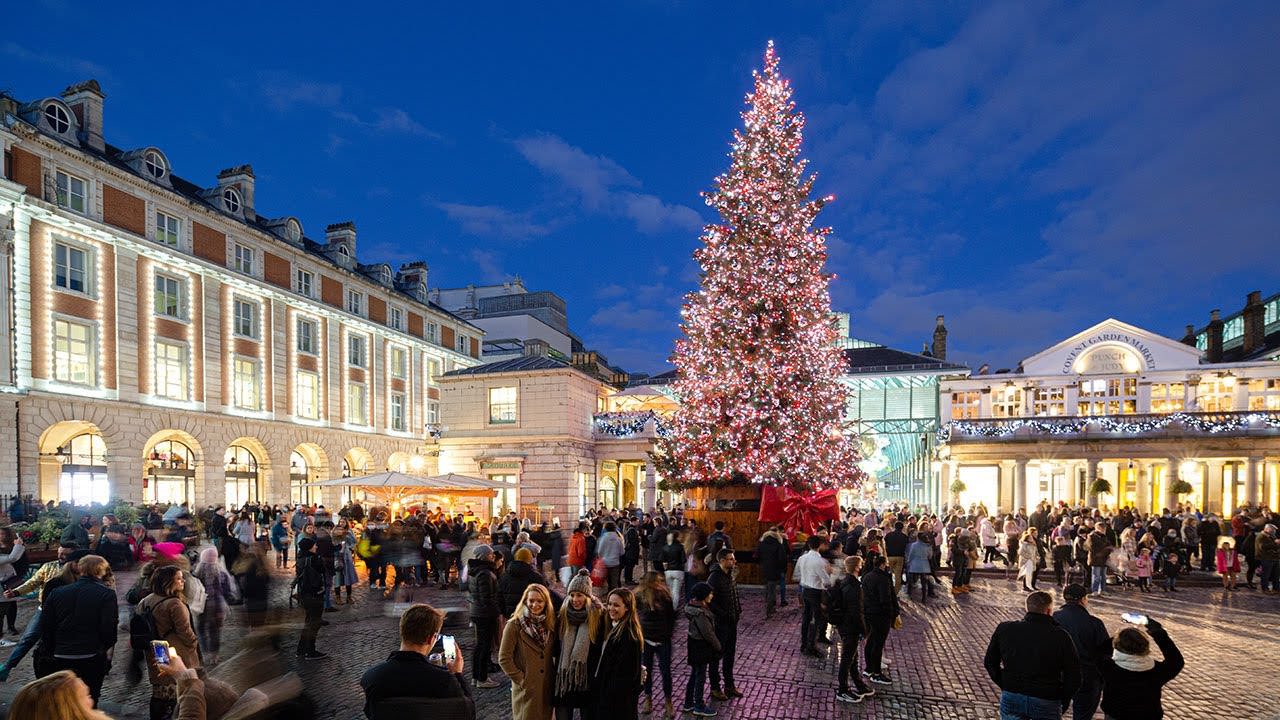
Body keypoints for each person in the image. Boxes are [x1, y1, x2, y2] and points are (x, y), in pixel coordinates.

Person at [361, 603, 474, 720]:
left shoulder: (371, 678)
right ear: (431, 638)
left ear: (402, 631)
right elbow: (467, 711)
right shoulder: (444, 680)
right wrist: (457, 674)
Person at [983, 590, 1081, 720]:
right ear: (1049, 610)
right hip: (1046, 697)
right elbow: (1073, 674)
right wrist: (1063, 697)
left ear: (1027, 607)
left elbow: (990, 662)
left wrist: (1005, 683)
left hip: (1013, 694)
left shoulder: (1006, 629)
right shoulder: (1060, 636)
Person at [36, 555, 117, 706]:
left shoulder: (58, 592)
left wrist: (51, 648)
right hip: (90, 654)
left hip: (61, 653)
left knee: (63, 698)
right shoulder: (106, 594)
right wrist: (103, 649)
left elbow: (46, 625)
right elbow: (109, 628)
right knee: (90, 697)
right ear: (100, 571)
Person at [0, 542, 79, 681]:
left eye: (66, 554)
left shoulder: (80, 570)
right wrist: (16, 592)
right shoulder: (49, 566)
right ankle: (7, 666)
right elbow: (33, 582)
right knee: (28, 638)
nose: (61, 556)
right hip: (45, 609)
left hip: (69, 612)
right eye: (60, 553)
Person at [138, 564, 202, 720]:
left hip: (158, 648)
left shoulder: (146, 600)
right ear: (168, 582)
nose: (183, 582)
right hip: (177, 651)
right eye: (179, 579)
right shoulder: (174, 604)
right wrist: (194, 644)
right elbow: (185, 632)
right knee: (179, 688)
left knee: (160, 689)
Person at [1096, 616, 1184, 720]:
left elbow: (1101, 651)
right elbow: (1176, 660)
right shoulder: (1157, 671)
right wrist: (1157, 631)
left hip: (1116, 715)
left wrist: (1120, 636)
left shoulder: (1110, 668)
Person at [1052, 584, 1110, 720]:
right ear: (1084, 599)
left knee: (1053, 711)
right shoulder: (1094, 623)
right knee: (1083, 714)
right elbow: (1105, 652)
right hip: (1087, 675)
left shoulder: (1054, 618)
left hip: (1058, 673)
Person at [499, 584, 556, 720]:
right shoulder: (514, 625)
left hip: (545, 687)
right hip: (527, 689)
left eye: (539, 601)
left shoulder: (549, 624)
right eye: (531, 600)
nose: (535, 605)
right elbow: (504, 658)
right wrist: (522, 680)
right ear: (525, 601)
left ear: (546, 603)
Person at [553, 570, 601, 720]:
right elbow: (555, 647)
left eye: (579, 595)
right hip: (564, 679)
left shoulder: (598, 617)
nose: (575, 599)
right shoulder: (562, 616)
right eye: (572, 595)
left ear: (588, 596)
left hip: (587, 680)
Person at [590, 588, 643, 720]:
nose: (611, 608)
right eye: (609, 604)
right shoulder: (613, 626)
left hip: (617, 703)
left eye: (616, 605)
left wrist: (606, 696)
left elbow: (625, 675)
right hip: (608, 696)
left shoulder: (629, 636)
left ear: (627, 608)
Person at [635, 572, 676, 718]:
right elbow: (635, 615)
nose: (658, 584)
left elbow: (672, 617)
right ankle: (648, 698)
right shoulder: (639, 597)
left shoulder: (665, 596)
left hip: (663, 639)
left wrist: (668, 634)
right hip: (646, 639)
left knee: (665, 671)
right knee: (646, 671)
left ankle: (668, 701)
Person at [834, 555, 874, 704]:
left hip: (844, 625)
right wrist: (863, 630)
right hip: (850, 626)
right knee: (847, 658)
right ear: (857, 567)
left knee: (852, 657)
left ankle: (858, 683)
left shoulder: (845, 582)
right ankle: (843, 690)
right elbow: (856, 611)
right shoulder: (854, 587)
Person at [191, 547, 240, 665]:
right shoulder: (222, 574)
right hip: (217, 607)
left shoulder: (196, 574)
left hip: (200, 607)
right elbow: (228, 592)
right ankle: (214, 655)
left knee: (201, 629)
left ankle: (205, 651)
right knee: (215, 631)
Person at [704, 549, 740, 702]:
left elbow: (733, 593)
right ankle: (715, 687)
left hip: (732, 621)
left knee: (730, 655)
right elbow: (708, 601)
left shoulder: (730, 575)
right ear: (723, 560)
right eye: (731, 559)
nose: (734, 561)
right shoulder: (714, 578)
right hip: (720, 624)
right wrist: (722, 614)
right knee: (716, 656)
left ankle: (729, 685)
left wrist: (738, 609)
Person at [466, 544, 501, 689]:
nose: (493, 556)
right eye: (491, 554)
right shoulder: (484, 573)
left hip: (478, 611)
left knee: (480, 645)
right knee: (484, 645)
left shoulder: (476, 570)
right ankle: (482, 678)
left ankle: (476, 676)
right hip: (485, 614)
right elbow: (486, 597)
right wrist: (496, 609)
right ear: (485, 556)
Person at [682, 582, 720, 718]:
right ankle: (699, 705)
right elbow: (708, 633)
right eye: (710, 593)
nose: (712, 595)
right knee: (700, 677)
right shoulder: (701, 613)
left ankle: (688, 703)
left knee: (694, 674)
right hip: (701, 647)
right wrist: (718, 646)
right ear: (704, 595)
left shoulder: (692, 607)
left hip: (694, 645)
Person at [861, 555, 898, 686]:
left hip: (869, 613)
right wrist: (892, 613)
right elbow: (886, 598)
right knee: (878, 643)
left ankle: (869, 668)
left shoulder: (867, 576)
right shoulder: (883, 579)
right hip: (880, 614)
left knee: (871, 641)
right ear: (882, 564)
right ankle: (876, 673)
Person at [795, 535, 831, 657]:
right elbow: (826, 580)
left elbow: (796, 574)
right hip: (816, 591)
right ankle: (811, 646)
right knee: (816, 619)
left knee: (806, 618)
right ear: (819, 545)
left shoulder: (802, 558)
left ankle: (804, 644)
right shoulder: (819, 561)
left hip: (805, 589)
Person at [293, 537, 327, 659]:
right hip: (314, 594)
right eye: (314, 545)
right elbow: (323, 570)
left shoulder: (300, 558)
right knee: (314, 623)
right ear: (309, 547)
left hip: (304, 595)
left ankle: (301, 650)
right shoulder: (313, 559)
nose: (316, 547)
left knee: (308, 622)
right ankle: (310, 651)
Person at [0, 527, 27, 636]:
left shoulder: (12, 546)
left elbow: (21, 562)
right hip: (2, 582)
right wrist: (19, 545)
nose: (1, 536)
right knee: (1, 610)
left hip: (11, 580)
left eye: (2, 534)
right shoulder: (14, 547)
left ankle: (11, 626)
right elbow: (12, 558)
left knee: (11, 603)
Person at [756, 526, 788, 617]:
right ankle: (770, 608)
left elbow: (757, 555)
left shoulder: (762, 543)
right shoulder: (778, 543)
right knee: (772, 589)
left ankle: (769, 604)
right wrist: (783, 569)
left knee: (768, 587)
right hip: (775, 569)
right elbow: (782, 558)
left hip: (765, 568)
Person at [905, 532, 936, 602]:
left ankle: (909, 593)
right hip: (924, 564)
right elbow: (930, 556)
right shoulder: (928, 546)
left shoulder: (914, 545)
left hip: (915, 564)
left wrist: (908, 561)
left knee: (911, 578)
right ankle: (924, 597)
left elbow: (911, 554)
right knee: (923, 582)